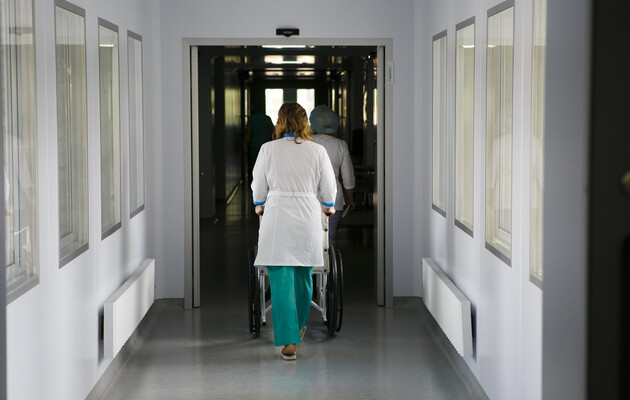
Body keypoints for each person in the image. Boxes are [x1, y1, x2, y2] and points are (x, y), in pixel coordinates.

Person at [251, 102, 337, 361]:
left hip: (277, 215)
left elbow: (258, 185)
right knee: (303, 277)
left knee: (280, 280)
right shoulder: (317, 150)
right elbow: (329, 187)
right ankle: (298, 327)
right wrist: (329, 206)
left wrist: (259, 204)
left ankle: (289, 340)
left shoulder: (268, 149)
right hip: (307, 215)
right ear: (305, 122)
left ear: (280, 122)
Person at [309, 105, 356, 247]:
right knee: (327, 241)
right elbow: (348, 177)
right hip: (334, 199)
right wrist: (350, 199)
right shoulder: (341, 145)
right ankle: (328, 261)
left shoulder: (306, 142)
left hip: (308, 197)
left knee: (309, 240)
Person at [244, 107, 274, 178]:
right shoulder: (267, 118)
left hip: (255, 144)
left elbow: (248, 132)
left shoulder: (251, 118)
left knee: (255, 163)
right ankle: (265, 179)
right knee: (266, 163)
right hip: (266, 144)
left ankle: (256, 179)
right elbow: (272, 132)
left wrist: (244, 144)